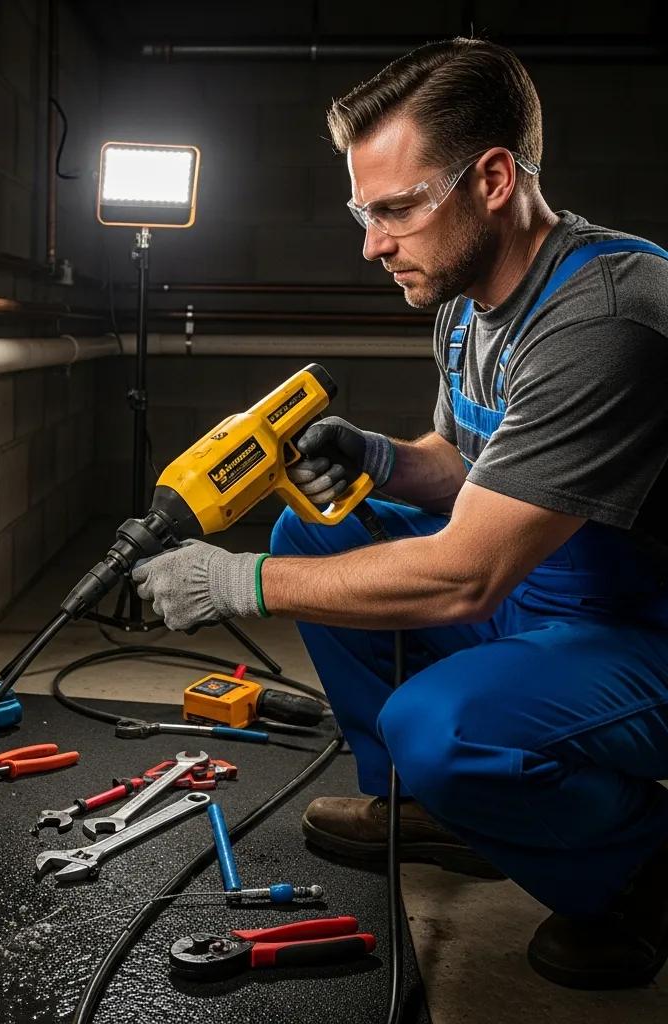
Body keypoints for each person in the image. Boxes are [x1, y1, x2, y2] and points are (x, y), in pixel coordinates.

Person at [131, 37, 668, 990]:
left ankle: (638, 873)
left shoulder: (607, 317)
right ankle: (427, 807)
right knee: (316, 528)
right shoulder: (466, 305)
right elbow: (469, 465)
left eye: (395, 209)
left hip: (642, 628)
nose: (372, 242)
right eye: (361, 210)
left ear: (494, 178)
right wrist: (381, 460)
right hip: (544, 588)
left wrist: (238, 581)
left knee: (445, 726)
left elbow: (466, 573)